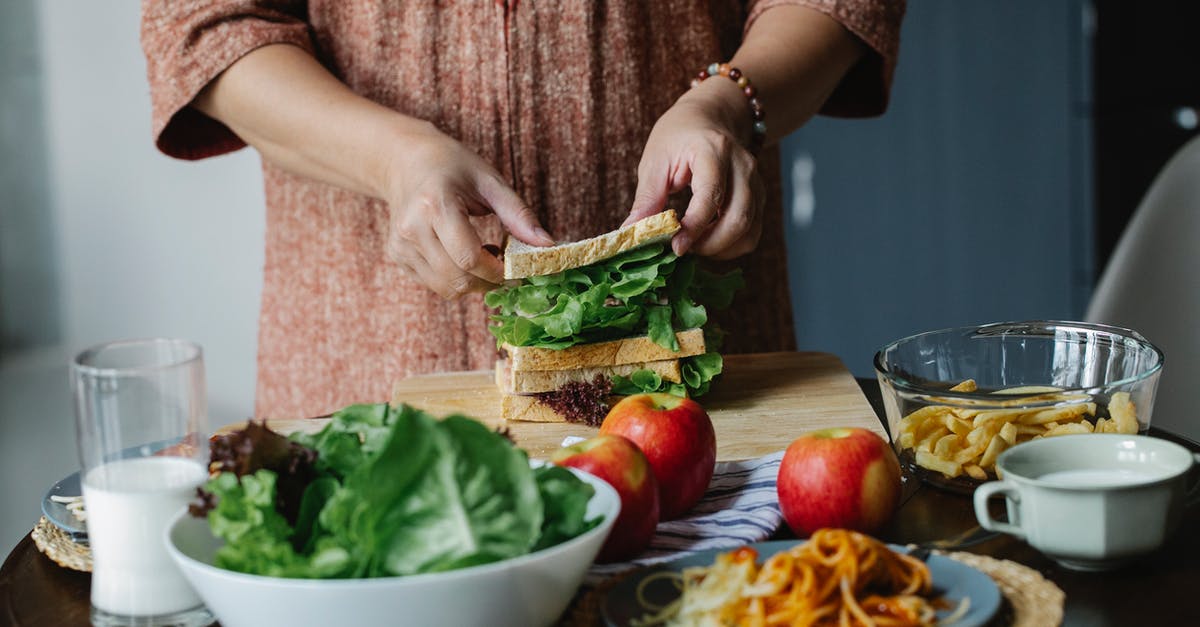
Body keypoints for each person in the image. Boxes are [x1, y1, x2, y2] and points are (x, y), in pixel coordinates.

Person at [140, 1, 905, 419]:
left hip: (692, 369)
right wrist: (392, 157)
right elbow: (202, 25)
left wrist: (728, 102)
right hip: (370, 354)